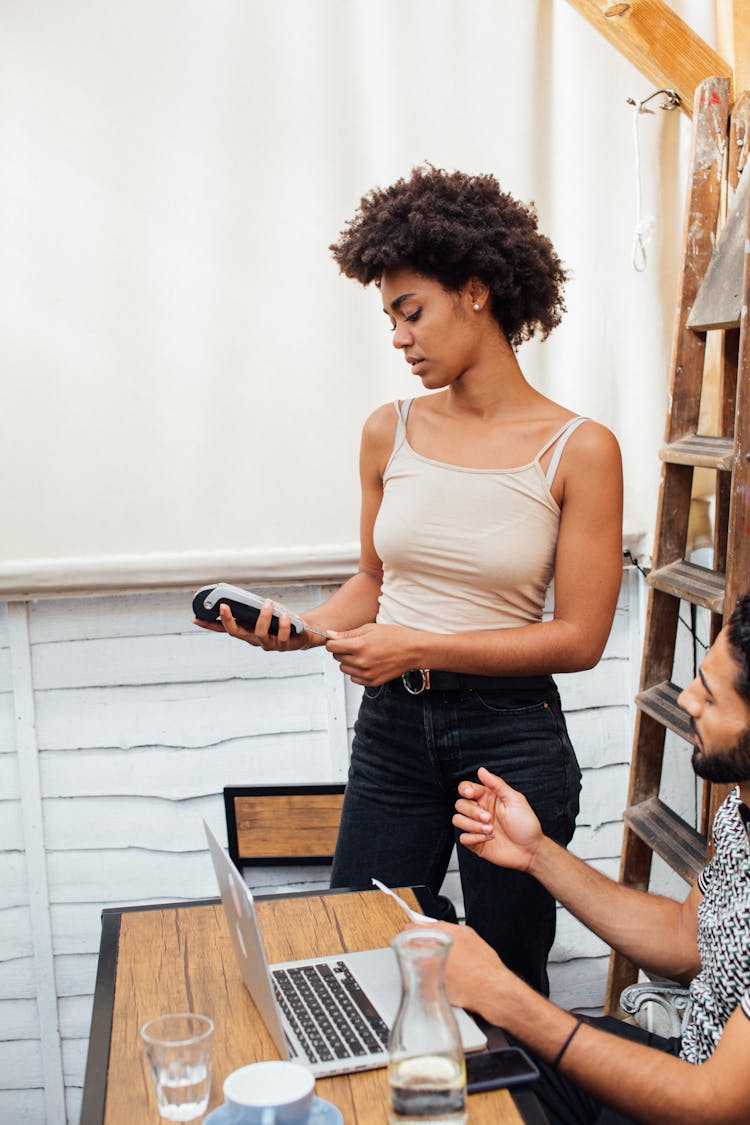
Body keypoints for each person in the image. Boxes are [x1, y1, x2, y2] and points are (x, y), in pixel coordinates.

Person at [195, 166, 623, 994]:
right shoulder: (387, 431)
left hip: (510, 737)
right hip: (394, 728)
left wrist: (415, 643)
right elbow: (371, 583)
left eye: (411, 310)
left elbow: (579, 640)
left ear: (477, 292)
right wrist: (302, 630)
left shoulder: (580, 449)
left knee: (507, 984)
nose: (398, 336)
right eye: (390, 316)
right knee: (357, 944)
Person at [440, 593, 750, 1124]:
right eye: (699, 677)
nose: (688, 699)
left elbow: (711, 1104)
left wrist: (507, 996)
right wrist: (536, 853)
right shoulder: (740, 808)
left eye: (713, 698)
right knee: (470, 1059)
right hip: (689, 1062)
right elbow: (684, 937)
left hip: (700, 1097)